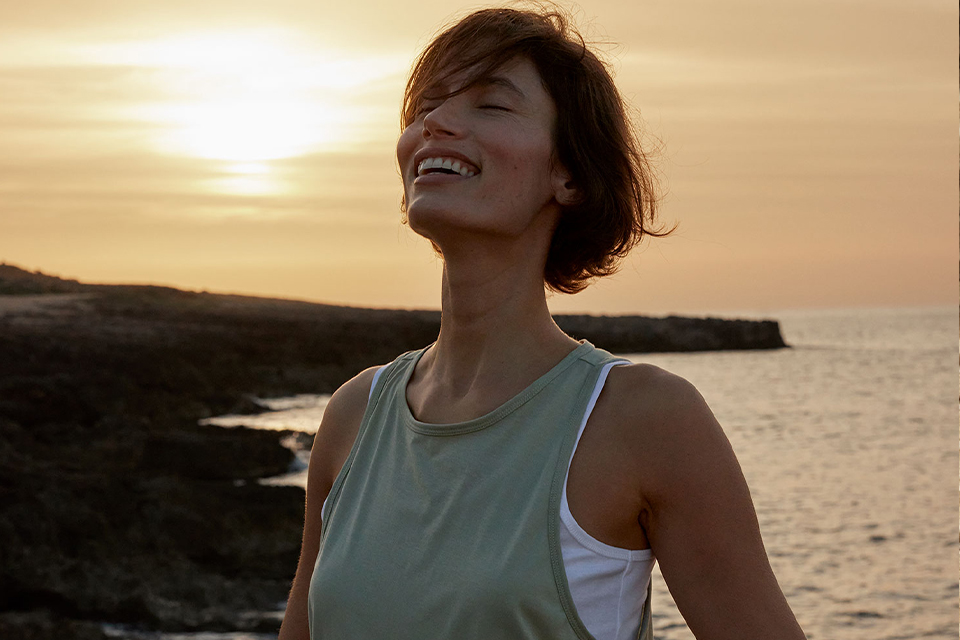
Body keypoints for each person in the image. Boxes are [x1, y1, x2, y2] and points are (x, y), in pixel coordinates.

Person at [279, 6, 806, 640]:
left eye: (491, 105)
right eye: (426, 105)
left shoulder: (644, 419)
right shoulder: (353, 416)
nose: (435, 122)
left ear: (570, 174)